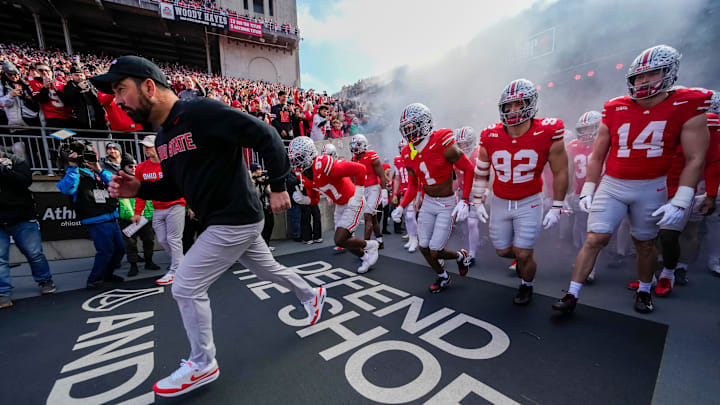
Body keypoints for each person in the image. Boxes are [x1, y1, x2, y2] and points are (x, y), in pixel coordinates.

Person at [92, 55, 326, 397]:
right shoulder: (161, 139)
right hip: (225, 220)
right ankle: (312, 293)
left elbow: (269, 135)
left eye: (121, 89)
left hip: (235, 218)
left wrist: (279, 185)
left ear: (148, 86)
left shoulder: (199, 111)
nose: (118, 100)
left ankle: (203, 363)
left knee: (185, 286)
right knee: (268, 270)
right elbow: (176, 187)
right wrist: (139, 188)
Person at [552, 45, 712, 314]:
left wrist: (682, 198)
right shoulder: (616, 107)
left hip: (651, 184)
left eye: (651, 74)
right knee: (594, 238)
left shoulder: (686, 103)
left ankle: (644, 290)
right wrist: (589, 188)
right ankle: (571, 294)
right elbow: (598, 155)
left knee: (645, 243)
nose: (642, 81)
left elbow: (696, 157)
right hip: (613, 183)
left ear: (669, 73)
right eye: (638, 77)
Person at [471, 79, 569, 305]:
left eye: (519, 104)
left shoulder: (548, 130)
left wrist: (557, 205)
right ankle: (524, 257)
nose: (513, 110)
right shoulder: (490, 135)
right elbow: (482, 170)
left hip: (529, 201)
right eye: (509, 106)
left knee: (523, 253)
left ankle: (527, 285)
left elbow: (560, 170)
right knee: (504, 251)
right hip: (500, 201)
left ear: (531, 104)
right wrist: (477, 200)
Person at [627, 95, 720, 293]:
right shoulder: (653, 119)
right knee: (647, 235)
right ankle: (650, 275)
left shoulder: (706, 122)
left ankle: (673, 271)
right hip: (653, 186)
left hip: (685, 187)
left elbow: (712, 160)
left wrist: (711, 193)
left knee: (675, 234)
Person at [391, 103, 475, 293]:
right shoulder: (407, 151)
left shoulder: (442, 140)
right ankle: (443, 276)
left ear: (425, 123)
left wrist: (465, 200)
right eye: (406, 128)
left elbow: (468, 168)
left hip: (446, 202)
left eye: (413, 126)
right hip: (428, 201)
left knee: (436, 249)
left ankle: (461, 256)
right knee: (423, 246)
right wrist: (401, 206)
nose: (409, 132)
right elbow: (413, 185)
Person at [289, 136, 379, 273]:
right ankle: (365, 257)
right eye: (293, 160)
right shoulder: (303, 175)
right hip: (341, 204)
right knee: (344, 241)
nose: (296, 163)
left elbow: (360, 169)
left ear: (310, 154)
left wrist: (359, 194)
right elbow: (315, 199)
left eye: (299, 158)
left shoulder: (323, 164)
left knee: (340, 239)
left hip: (352, 200)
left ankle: (371, 245)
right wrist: (305, 200)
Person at [56, 141, 125, 289]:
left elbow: (115, 183)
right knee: (106, 251)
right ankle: (94, 279)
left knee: (120, 249)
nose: (87, 160)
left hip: (111, 216)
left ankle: (107, 274)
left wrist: (99, 169)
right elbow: (67, 189)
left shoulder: (98, 171)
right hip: (96, 219)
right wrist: (73, 167)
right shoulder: (72, 173)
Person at [0, 150, 55, 309]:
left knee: (34, 253)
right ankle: (3, 293)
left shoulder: (15, 161)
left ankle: (45, 280)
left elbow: (25, 180)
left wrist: (3, 169)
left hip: (21, 217)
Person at [134, 135, 186, 286]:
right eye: (144, 146)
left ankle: (176, 271)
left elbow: (184, 184)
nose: (146, 149)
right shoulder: (141, 168)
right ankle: (183, 266)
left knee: (173, 239)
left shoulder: (171, 164)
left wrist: (191, 205)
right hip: (158, 208)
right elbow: (140, 193)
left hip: (176, 205)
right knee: (163, 240)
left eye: (149, 146)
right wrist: (138, 212)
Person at [566, 111, 602, 282]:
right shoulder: (573, 146)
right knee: (580, 228)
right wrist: (568, 193)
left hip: (600, 192)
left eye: (590, 128)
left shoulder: (604, 143)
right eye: (584, 128)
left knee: (593, 230)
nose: (586, 132)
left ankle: (591, 266)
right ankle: (583, 260)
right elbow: (570, 172)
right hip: (580, 193)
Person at [117, 154, 160, 277]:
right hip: (129, 219)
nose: (133, 168)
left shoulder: (142, 179)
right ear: (123, 167)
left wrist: (150, 214)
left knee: (149, 241)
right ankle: (133, 266)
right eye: (130, 166)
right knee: (131, 244)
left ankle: (149, 262)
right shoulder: (120, 181)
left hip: (146, 217)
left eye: (135, 165)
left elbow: (150, 197)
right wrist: (133, 215)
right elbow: (123, 201)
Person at [454, 127, 485, 267]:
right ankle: (474, 243)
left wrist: (485, 194)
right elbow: (455, 178)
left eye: (466, 143)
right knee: (464, 221)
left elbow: (488, 175)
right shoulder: (456, 155)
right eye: (460, 144)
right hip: (462, 191)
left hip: (478, 191)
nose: (463, 146)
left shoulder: (479, 154)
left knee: (472, 222)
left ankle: (472, 253)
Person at [350, 134, 388, 248]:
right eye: (352, 145)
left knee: (367, 216)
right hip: (362, 189)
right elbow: (353, 178)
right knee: (373, 216)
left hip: (373, 189)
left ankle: (365, 245)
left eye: (355, 145)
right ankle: (380, 240)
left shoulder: (371, 155)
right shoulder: (354, 159)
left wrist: (385, 192)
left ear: (362, 145)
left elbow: (381, 175)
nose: (353, 148)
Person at [29, 62, 76, 128]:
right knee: (60, 137)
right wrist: (45, 87)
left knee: (71, 137)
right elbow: (40, 100)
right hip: (54, 118)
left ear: (51, 71)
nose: (44, 72)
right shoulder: (34, 83)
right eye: (41, 70)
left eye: (46, 70)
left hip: (69, 117)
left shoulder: (61, 84)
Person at [392, 138, 419, 252]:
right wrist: (394, 193)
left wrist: (417, 196)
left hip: (413, 191)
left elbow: (418, 178)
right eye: (400, 148)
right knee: (406, 217)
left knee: (410, 216)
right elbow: (397, 179)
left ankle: (415, 239)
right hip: (404, 192)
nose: (402, 150)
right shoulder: (398, 161)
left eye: (404, 147)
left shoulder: (414, 157)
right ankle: (412, 238)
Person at [61, 66, 106, 130]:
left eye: (81, 75)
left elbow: (98, 98)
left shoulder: (90, 84)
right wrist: (78, 89)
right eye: (76, 75)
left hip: (97, 116)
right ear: (72, 76)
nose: (79, 77)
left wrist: (90, 90)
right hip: (82, 119)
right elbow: (67, 100)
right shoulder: (68, 86)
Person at [0, 60, 39, 128]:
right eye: (10, 74)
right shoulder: (3, 86)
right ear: (5, 74)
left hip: (35, 117)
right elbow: (3, 103)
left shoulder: (26, 84)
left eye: (15, 74)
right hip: (20, 122)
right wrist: (10, 95)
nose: (13, 76)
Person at [250, 162, 276, 249]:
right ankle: (260, 247)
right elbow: (256, 195)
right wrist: (256, 182)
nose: (260, 172)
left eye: (260, 169)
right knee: (261, 228)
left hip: (267, 207)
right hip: (258, 208)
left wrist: (266, 185)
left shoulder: (262, 182)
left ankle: (266, 244)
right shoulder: (251, 182)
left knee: (270, 224)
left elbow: (269, 194)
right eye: (257, 170)